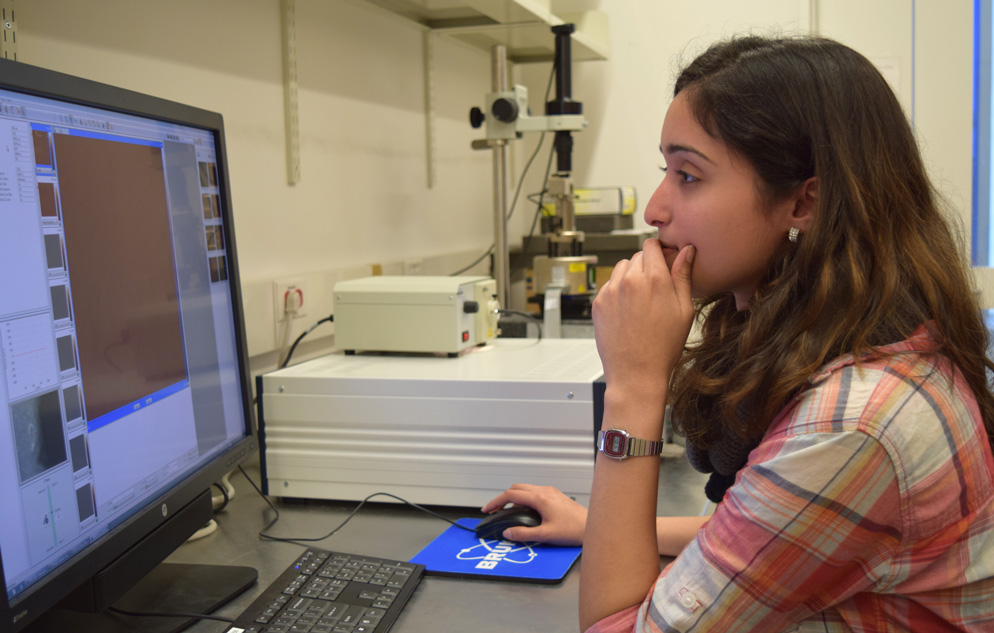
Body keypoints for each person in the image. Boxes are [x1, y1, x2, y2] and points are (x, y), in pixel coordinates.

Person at [484, 35, 994, 632]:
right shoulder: (856, 345)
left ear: (805, 204)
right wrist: (590, 523)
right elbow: (768, 530)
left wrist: (635, 386)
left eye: (689, 175)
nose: (654, 208)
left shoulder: (855, 422)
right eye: (664, 170)